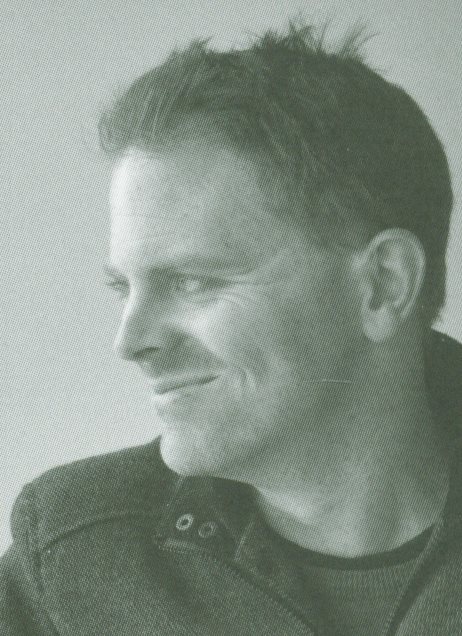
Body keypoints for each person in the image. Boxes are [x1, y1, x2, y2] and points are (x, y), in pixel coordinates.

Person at [1, 22, 461, 635]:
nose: (132, 342)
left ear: (383, 285)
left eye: (193, 281)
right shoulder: (73, 559)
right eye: (123, 287)